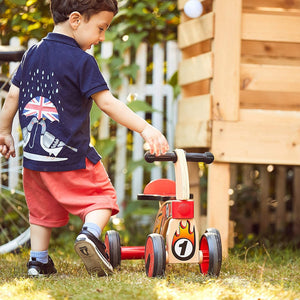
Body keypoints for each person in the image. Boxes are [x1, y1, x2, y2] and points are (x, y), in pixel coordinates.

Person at [0, 0, 169, 277]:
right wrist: (145, 128)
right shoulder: (82, 60)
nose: (102, 37)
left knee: (40, 213)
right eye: (101, 28)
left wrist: (4, 131)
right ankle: (90, 234)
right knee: (102, 198)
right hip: (71, 156)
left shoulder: (32, 54)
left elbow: (13, 97)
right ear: (76, 20)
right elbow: (107, 103)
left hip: (34, 160)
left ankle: (38, 262)